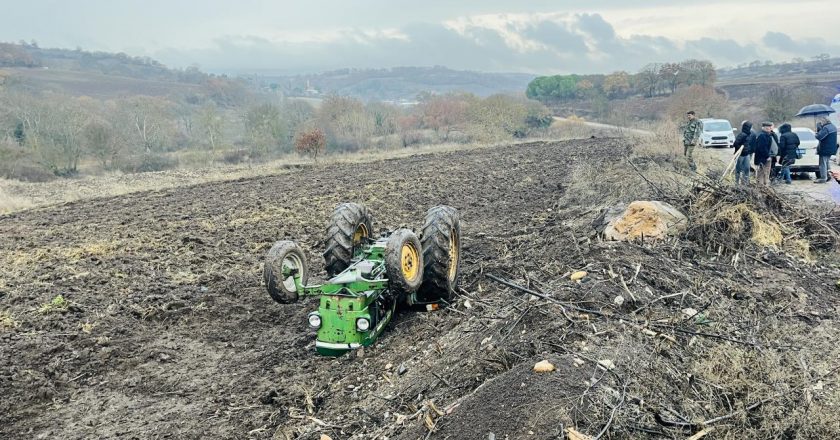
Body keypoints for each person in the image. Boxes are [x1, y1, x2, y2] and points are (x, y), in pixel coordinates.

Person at [754, 122, 779, 186]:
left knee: (767, 172)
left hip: (767, 157)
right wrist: (767, 156)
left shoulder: (768, 135)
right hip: (763, 158)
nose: (768, 128)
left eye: (769, 127)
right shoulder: (762, 136)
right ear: (763, 128)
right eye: (766, 127)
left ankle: (765, 185)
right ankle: (761, 185)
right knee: (762, 172)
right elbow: (762, 148)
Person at [815, 117, 838, 184]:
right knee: (827, 163)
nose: (821, 123)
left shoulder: (826, 128)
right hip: (831, 148)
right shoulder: (833, 126)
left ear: (824, 121)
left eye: (821, 122)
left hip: (825, 148)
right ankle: (829, 176)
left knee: (822, 164)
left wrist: (818, 130)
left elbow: (819, 137)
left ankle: (823, 178)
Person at [732, 121, 754, 185]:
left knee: (747, 168)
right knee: (738, 169)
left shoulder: (749, 134)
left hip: (746, 154)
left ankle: (745, 182)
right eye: (750, 127)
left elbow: (748, 144)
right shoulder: (742, 134)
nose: (751, 128)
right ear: (747, 127)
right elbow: (735, 144)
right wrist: (742, 148)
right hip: (740, 155)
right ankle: (736, 182)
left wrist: (748, 149)